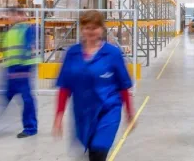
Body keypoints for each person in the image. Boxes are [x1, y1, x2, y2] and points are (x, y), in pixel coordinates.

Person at [53, 10, 135, 161]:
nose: (90, 31)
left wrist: (129, 111)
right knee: (89, 150)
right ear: (82, 29)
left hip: (108, 111)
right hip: (83, 114)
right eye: (87, 27)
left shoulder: (112, 54)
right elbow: (65, 87)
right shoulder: (72, 54)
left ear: (102, 29)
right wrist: (59, 116)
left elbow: (123, 85)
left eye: (94, 27)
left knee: (98, 150)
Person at [0, 7, 38, 138]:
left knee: (26, 99)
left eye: (13, 15)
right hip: (10, 69)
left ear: (21, 15)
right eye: (9, 15)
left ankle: (30, 128)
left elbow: (28, 49)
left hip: (22, 69)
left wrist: (25, 70)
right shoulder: (10, 31)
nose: (10, 18)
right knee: (4, 98)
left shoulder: (27, 29)